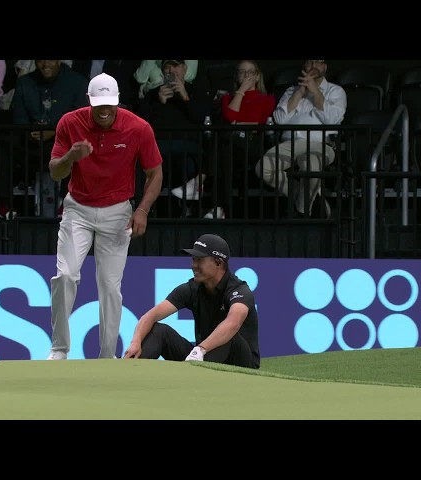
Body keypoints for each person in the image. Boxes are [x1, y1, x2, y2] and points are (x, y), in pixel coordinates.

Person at [46, 72, 163, 360]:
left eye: (110, 103)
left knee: (110, 286)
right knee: (66, 276)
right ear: (90, 101)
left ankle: (107, 355)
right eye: (99, 104)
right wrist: (70, 157)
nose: (105, 110)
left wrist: (142, 209)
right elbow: (55, 171)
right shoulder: (70, 123)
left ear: (118, 100)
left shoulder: (138, 128)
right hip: (78, 208)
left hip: (117, 212)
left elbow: (155, 172)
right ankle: (59, 349)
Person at [123, 233, 260, 369]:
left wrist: (200, 349)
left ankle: (191, 374)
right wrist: (136, 341)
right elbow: (151, 316)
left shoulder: (239, 290)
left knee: (229, 335)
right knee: (159, 330)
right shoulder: (192, 288)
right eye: (193, 259)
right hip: (201, 358)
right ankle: (130, 370)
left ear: (218, 262)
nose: (193, 265)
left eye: (199, 259)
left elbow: (233, 323)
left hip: (242, 365)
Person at [0, 60, 89, 217]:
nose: (45, 64)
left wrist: (53, 132)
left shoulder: (77, 82)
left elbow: (82, 123)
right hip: (31, 145)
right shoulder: (25, 82)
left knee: (79, 146)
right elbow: (19, 121)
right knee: (2, 145)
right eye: (40, 60)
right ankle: (4, 206)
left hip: (62, 146)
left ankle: (68, 204)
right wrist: (30, 132)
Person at [255, 59, 346, 218]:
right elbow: (280, 119)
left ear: (325, 67)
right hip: (290, 143)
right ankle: (310, 199)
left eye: (318, 62)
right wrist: (299, 93)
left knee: (310, 166)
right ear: (304, 67)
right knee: (263, 168)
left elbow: (332, 119)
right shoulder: (291, 91)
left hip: (321, 144)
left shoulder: (335, 91)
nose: (313, 66)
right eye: (310, 62)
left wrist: (315, 91)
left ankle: (302, 212)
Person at [136, 60, 211, 207]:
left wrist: (185, 96)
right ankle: (141, 210)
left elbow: (203, 118)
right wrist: (160, 102)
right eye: (167, 67)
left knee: (186, 165)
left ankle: (184, 211)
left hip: (187, 148)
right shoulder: (153, 94)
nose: (171, 70)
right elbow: (142, 124)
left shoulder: (196, 92)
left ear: (184, 68)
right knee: (144, 165)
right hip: (159, 149)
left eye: (175, 65)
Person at [209, 59, 277, 219]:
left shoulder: (267, 99)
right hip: (231, 145)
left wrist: (238, 124)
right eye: (242, 71)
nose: (246, 75)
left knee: (223, 142)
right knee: (224, 147)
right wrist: (241, 91)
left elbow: (261, 123)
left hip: (254, 143)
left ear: (258, 76)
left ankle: (218, 203)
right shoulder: (227, 98)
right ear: (236, 76)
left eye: (250, 72)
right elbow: (230, 115)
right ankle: (223, 208)